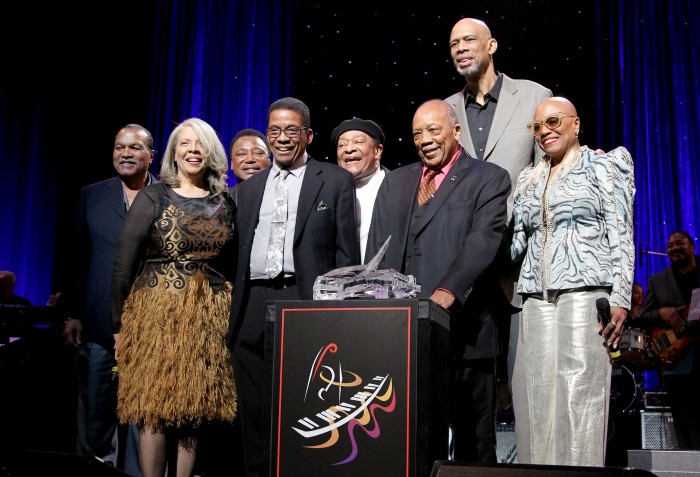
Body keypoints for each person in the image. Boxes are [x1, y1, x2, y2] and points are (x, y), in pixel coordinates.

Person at [365, 99, 512, 463]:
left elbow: (483, 243)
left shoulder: (488, 178)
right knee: (409, 441)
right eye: (418, 133)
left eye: (433, 130)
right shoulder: (396, 181)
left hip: (466, 330)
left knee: (473, 445)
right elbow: (377, 250)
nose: (425, 140)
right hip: (404, 335)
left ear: (456, 131)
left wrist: (446, 293)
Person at [227, 97, 359, 477]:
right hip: (252, 302)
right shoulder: (249, 189)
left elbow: (345, 255)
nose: (281, 138)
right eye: (274, 130)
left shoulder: (333, 180)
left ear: (308, 135)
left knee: (301, 405)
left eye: (290, 130)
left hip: (302, 300)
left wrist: (338, 315)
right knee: (252, 409)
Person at [507, 96, 635, 466]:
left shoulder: (604, 165)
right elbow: (517, 244)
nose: (544, 132)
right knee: (539, 398)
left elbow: (621, 234)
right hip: (535, 296)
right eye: (536, 127)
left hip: (585, 290)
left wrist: (621, 298)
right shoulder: (528, 177)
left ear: (575, 124)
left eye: (552, 122)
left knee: (579, 394)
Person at [111, 117, 238, 477]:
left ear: (210, 152)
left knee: (193, 410)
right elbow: (123, 264)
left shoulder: (224, 202)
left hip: (207, 317)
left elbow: (233, 263)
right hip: (156, 315)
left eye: (199, 144)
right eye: (184, 143)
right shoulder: (155, 196)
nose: (192, 150)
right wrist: (118, 327)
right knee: (155, 408)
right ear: (173, 153)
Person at [443, 17, 554, 420]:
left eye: (469, 40)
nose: (460, 48)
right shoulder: (447, 109)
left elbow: (548, 173)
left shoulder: (534, 95)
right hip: (469, 260)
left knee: (526, 374)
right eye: (454, 43)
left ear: (492, 46)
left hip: (520, 258)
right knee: (471, 384)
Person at [62, 124, 156, 474]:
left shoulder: (168, 194)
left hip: (151, 326)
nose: (125, 154)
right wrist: (71, 313)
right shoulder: (93, 194)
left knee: (142, 417)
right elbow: (78, 259)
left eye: (134, 148)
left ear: (151, 155)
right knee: (96, 412)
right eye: (119, 147)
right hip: (98, 324)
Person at [638, 230, 700, 449]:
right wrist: (661, 312)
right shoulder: (658, 280)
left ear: (692, 247)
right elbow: (643, 316)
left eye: (679, 244)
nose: (674, 248)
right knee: (684, 422)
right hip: (676, 362)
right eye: (670, 246)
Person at [331, 117, 389, 263]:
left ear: (378, 150)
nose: (349, 149)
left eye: (358, 142)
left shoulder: (399, 188)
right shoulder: (329, 191)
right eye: (342, 145)